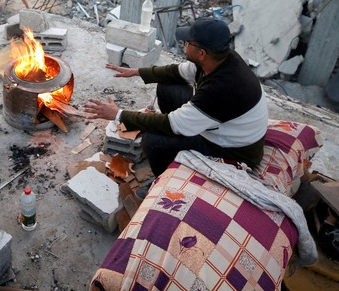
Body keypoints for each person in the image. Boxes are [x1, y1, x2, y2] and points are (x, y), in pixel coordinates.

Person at [82, 17, 268, 176]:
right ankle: (177, 144)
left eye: (188, 43)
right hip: (220, 125)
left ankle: (163, 180)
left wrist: (118, 114)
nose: (184, 44)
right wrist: (137, 71)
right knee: (166, 87)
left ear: (201, 53)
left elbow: (170, 124)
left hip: (234, 150)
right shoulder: (220, 59)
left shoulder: (220, 90)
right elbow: (176, 72)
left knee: (153, 140)